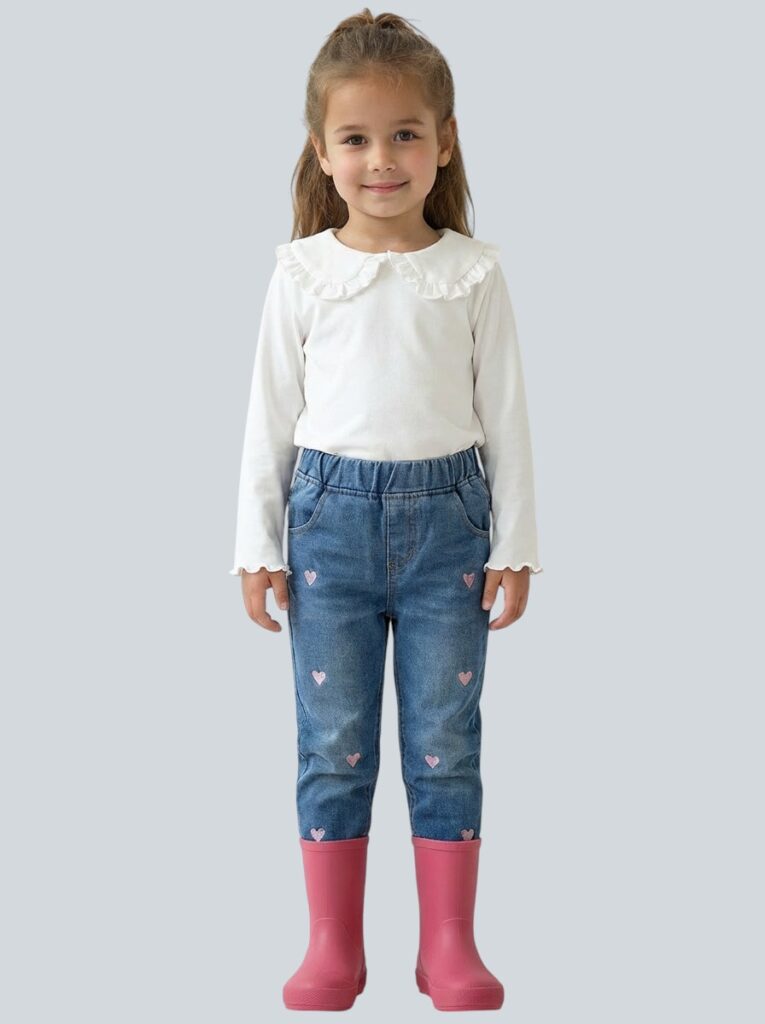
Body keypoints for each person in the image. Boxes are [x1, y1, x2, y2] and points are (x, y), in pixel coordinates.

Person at [229, 8, 543, 1012]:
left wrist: (517, 543)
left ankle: (447, 946)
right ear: (321, 151)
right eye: (356, 138)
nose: (381, 160)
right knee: (334, 741)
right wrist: (255, 544)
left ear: (443, 141)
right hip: (329, 530)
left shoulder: (472, 272)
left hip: (451, 527)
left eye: (405, 134)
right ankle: (334, 947)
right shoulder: (302, 274)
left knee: (446, 739)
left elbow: (506, 415)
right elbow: (269, 415)